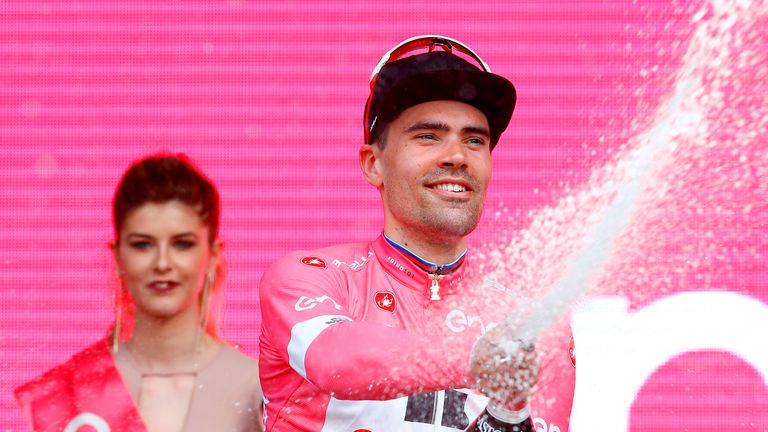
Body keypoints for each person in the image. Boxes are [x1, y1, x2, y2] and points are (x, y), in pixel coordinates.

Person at [259, 35, 569, 431]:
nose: (457, 157)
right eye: (428, 136)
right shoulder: (311, 276)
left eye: (475, 140)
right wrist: (478, 360)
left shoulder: (532, 321)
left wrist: (508, 411)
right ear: (374, 164)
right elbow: (334, 359)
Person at [16, 154, 264, 432]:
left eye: (182, 244)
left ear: (214, 254)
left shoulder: (259, 390)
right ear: (118, 255)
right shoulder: (64, 393)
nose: (162, 263)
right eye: (142, 245)